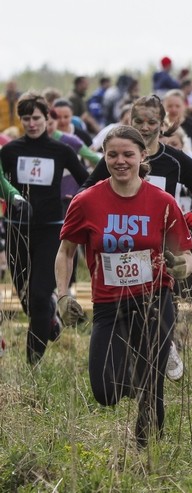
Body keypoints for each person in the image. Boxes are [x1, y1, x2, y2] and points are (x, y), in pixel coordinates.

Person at [55, 125, 192, 447]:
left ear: (142, 156)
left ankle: (148, 458)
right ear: (103, 156)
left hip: (154, 299)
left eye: (128, 154)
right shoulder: (86, 201)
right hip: (108, 303)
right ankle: (147, 373)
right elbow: (65, 252)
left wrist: (181, 267)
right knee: (105, 391)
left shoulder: (162, 202)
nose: (120, 161)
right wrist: (62, 295)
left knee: (151, 388)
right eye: (112, 154)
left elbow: (185, 255)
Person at [82, 94, 192, 369]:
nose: (144, 126)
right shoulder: (119, 158)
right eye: (137, 120)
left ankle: (167, 344)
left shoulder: (175, 160)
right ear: (129, 121)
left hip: (161, 240)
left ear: (162, 123)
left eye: (151, 121)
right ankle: (130, 355)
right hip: (124, 239)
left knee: (165, 296)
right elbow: (87, 188)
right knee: (130, 303)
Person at [0, 93, 89, 365]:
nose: (31, 124)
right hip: (18, 230)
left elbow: (87, 181)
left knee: (39, 294)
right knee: (29, 300)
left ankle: (33, 364)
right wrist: (12, 197)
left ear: (47, 118)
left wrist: (74, 204)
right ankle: (50, 312)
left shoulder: (61, 151)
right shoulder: (10, 151)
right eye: (26, 118)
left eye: (36, 118)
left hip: (52, 230)